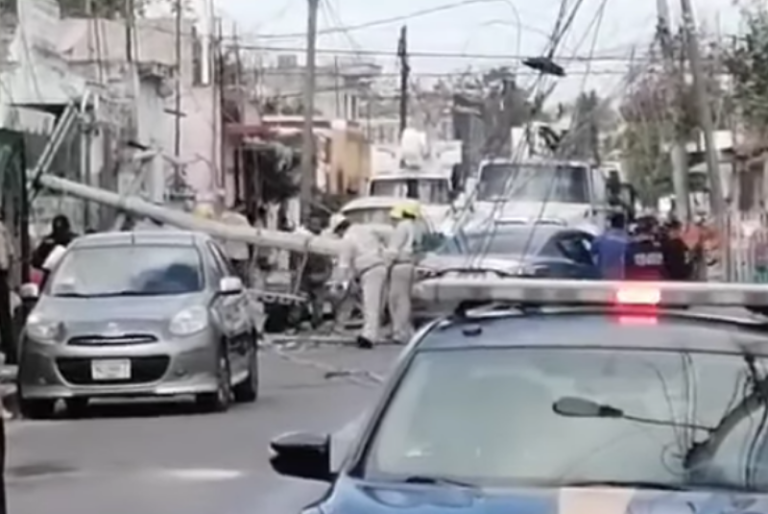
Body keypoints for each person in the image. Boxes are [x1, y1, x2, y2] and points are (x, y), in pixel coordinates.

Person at [330, 215, 388, 349]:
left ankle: (369, 337)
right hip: (380, 266)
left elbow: (343, 265)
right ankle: (373, 332)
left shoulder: (347, 239)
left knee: (370, 304)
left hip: (369, 269)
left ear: (339, 230)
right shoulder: (364, 230)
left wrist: (338, 283)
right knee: (376, 304)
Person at [385, 202, 424, 345]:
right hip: (411, 265)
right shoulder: (417, 226)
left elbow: (393, 250)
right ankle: (406, 330)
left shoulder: (402, 227)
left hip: (400, 265)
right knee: (405, 300)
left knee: (396, 300)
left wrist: (386, 264)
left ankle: (399, 332)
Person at [298, 216, 332, 328]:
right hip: (306, 274)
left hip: (318, 273)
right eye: (314, 224)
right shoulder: (303, 237)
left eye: (318, 224)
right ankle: (295, 321)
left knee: (318, 302)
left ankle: (316, 322)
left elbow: (328, 259)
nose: (316, 227)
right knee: (302, 300)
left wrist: (327, 272)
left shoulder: (323, 239)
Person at [625, 215, 665, 280]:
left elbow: (627, 269)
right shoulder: (658, 249)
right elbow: (662, 269)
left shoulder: (631, 248)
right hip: (655, 283)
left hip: (636, 284)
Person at [591, 213, 629, 279]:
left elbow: (593, 256)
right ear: (624, 225)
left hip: (604, 277)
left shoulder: (600, 239)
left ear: (611, 224)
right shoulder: (629, 241)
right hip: (623, 279)